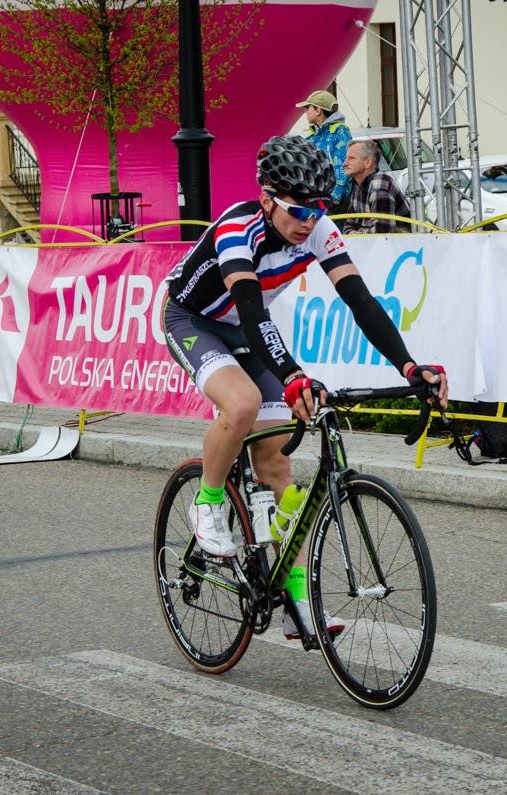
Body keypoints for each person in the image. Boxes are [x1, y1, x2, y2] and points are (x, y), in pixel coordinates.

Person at [162, 135, 449, 634]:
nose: (308, 222)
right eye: (298, 211)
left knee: (276, 462)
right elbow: (252, 312)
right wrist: (293, 376)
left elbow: (361, 302)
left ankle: (296, 601)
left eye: (318, 210)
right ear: (267, 198)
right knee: (243, 404)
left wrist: (408, 366)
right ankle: (207, 501)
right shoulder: (236, 230)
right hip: (193, 320)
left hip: (245, 329)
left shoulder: (318, 230)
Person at [340, 139, 413, 234]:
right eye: (346, 158)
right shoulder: (357, 185)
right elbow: (349, 224)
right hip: (380, 242)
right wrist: (353, 233)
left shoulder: (380, 182)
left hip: (403, 242)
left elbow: (383, 231)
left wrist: (358, 233)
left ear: (368, 163)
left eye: (351, 158)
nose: (345, 163)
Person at [297, 90, 353, 205]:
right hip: (318, 199)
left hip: (337, 201)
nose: (305, 112)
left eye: (308, 108)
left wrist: (335, 197)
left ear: (318, 110)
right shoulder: (312, 136)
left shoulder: (340, 132)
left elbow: (342, 167)